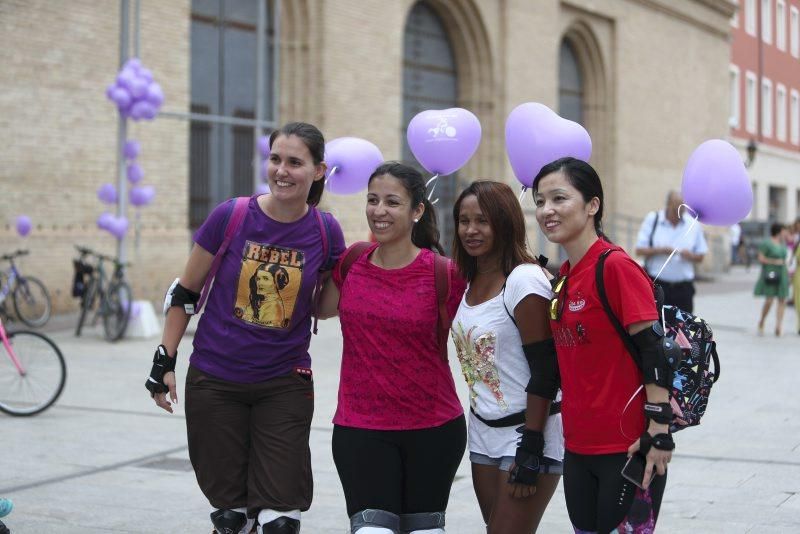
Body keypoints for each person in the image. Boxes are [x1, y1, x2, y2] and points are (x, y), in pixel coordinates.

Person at [144, 122, 345, 534]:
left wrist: (354, 271)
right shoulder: (231, 216)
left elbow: (321, 308)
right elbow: (186, 292)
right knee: (230, 517)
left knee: (280, 521)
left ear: (319, 171)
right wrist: (164, 361)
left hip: (283, 382)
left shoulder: (326, 231)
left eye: (294, 162)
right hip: (216, 380)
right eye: (275, 159)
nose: (282, 171)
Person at [318, 162, 467, 534]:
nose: (379, 210)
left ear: (417, 210)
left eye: (392, 202)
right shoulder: (352, 262)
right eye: (373, 200)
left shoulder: (445, 273)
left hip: (434, 429)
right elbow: (316, 308)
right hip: (360, 428)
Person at [533, 157, 673, 533]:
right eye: (540, 201)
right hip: (578, 447)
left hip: (629, 447)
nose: (546, 210)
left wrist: (659, 431)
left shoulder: (615, 267)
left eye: (559, 198)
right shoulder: (563, 277)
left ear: (592, 205)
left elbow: (654, 351)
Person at [450, 180, 563, 532]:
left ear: (504, 222)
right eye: (464, 221)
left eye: (482, 221)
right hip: (482, 431)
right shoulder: (468, 280)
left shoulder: (524, 280)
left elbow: (546, 370)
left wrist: (531, 446)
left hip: (527, 434)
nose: (471, 230)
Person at [635, 190, 708, 312]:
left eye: (682, 209)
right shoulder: (653, 219)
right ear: (668, 205)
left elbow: (701, 256)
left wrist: (690, 256)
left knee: (684, 323)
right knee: (657, 323)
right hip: (658, 286)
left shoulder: (693, 224)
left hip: (684, 290)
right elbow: (639, 250)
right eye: (675, 209)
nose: (679, 214)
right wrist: (660, 250)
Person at [755, 223, 790, 337]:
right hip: (771, 273)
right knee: (769, 300)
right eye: (784, 230)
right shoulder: (767, 243)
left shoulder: (783, 243)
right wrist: (774, 262)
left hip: (782, 273)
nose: (786, 233)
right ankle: (762, 320)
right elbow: (760, 258)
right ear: (779, 231)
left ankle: (778, 326)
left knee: (782, 299)